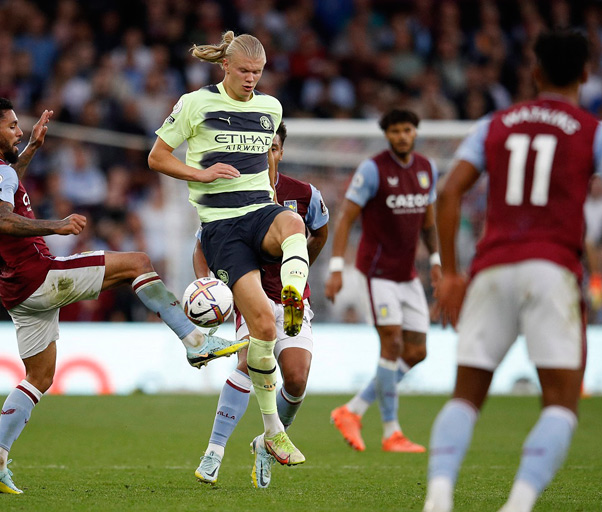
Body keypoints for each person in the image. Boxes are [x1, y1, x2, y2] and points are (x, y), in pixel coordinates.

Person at [0, 97, 246, 495]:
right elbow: (0, 219)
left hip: (14, 289)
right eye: (12, 127)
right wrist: (57, 225)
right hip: (38, 275)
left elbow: (6, 187)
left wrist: (31, 151)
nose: (19, 130)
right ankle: (196, 340)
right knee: (137, 261)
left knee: (39, 377)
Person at [423, 30, 602, 512]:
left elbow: (448, 192)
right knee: (561, 405)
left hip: (491, 268)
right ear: (586, 74)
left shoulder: (494, 124)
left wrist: (455, 274)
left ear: (535, 72)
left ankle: (438, 498)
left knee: (465, 398)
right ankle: (518, 504)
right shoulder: (597, 131)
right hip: (552, 270)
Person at [148, 31, 311, 466]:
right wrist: (199, 175)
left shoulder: (270, 108)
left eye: (257, 73)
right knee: (262, 327)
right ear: (225, 67)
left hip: (259, 210)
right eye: (244, 72)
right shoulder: (195, 103)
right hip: (221, 227)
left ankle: (293, 295)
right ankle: (273, 431)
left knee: (294, 223)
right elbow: (157, 157)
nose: (251, 80)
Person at [192, 123, 329, 488]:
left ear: (281, 151)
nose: (267, 153)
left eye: (274, 148)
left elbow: (321, 231)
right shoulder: (232, 194)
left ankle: (265, 444)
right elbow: (203, 245)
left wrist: (301, 266)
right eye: (261, 148)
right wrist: (208, 286)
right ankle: (214, 452)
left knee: (297, 380)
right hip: (252, 296)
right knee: (246, 363)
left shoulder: (303, 194)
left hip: (293, 301)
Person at [325, 108, 441, 453]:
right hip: (377, 274)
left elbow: (429, 222)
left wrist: (435, 261)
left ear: (415, 132)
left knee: (417, 351)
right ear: (387, 135)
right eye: (395, 131)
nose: (402, 136)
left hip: (407, 274)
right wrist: (335, 268)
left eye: (407, 130)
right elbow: (346, 218)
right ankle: (392, 431)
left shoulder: (427, 169)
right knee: (391, 345)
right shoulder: (373, 170)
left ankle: (352, 410)